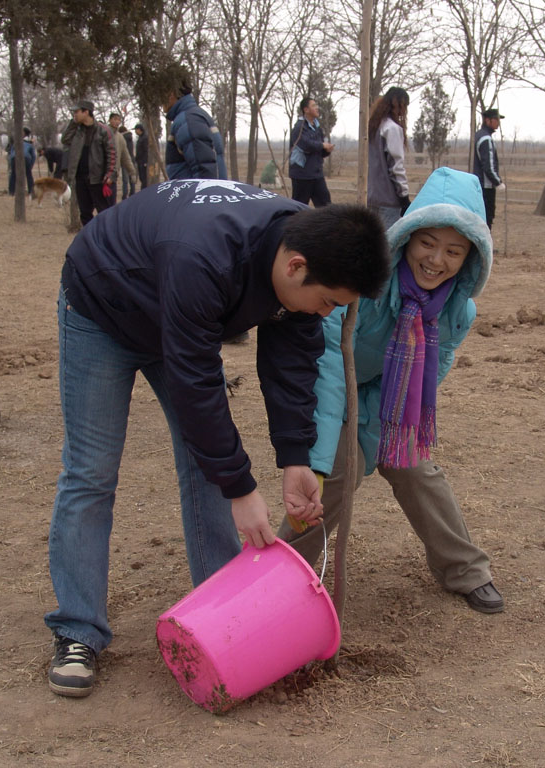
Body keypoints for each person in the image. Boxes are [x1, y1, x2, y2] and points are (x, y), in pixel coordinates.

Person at [44, 179, 390, 698]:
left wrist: (296, 457)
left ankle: (226, 618)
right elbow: (195, 378)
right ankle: (77, 630)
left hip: (179, 316)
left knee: (207, 467)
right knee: (91, 471)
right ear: (295, 267)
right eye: (325, 302)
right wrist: (241, 488)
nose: (324, 313)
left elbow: (293, 363)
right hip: (104, 306)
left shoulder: (303, 249)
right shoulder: (204, 255)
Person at [280, 167, 503, 614]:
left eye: (454, 250)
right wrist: (332, 454)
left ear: (470, 258)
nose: (436, 260)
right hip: (328, 389)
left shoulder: (459, 311)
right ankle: (280, 575)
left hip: (391, 401)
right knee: (337, 474)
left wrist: (377, 437)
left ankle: (466, 570)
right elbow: (327, 366)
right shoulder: (368, 287)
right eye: (427, 243)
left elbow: (426, 378)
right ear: (407, 239)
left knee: (416, 469)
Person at [62, 100, 116, 226]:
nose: (74, 115)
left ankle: (105, 240)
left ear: (86, 112)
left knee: (104, 213)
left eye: (77, 112)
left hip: (98, 179)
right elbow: (65, 139)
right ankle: (89, 241)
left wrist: (110, 174)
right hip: (80, 178)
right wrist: (73, 123)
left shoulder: (103, 130)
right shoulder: (77, 130)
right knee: (85, 213)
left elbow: (112, 154)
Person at [165, 75, 227, 180]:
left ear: (172, 93)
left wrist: (199, 196)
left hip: (193, 194)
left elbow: (204, 172)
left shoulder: (188, 121)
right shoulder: (191, 116)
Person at [367, 87, 410, 228]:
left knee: (374, 243)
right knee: (389, 244)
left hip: (373, 196)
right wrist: (404, 197)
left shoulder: (375, 126)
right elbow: (396, 166)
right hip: (389, 199)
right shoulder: (392, 129)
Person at [289, 97, 334, 208]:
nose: (317, 108)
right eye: (313, 106)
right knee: (299, 209)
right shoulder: (299, 128)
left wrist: (326, 150)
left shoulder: (317, 128)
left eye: (316, 105)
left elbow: (319, 150)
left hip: (316, 174)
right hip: (302, 176)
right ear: (306, 110)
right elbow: (306, 145)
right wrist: (322, 145)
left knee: (326, 207)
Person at [471, 108, 505, 230]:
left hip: (478, 184)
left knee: (481, 217)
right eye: (496, 119)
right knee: (486, 217)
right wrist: (498, 182)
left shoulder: (479, 135)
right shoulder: (486, 139)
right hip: (486, 186)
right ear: (487, 120)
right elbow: (488, 165)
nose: (498, 123)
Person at [107, 113, 137, 204]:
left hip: (113, 176)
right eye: (114, 119)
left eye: (118, 120)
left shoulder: (120, 137)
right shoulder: (104, 132)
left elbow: (126, 157)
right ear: (110, 120)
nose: (116, 122)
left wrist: (132, 172)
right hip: (100, 176)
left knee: (111, 203)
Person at [7, 127, 36, 197]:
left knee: (13, 174)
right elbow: (34, 156)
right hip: (26, 158)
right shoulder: (30, 144)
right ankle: (31, 192)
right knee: (29, 175)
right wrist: (30, 166)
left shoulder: (16, 143)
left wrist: (11, 163)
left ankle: (11, 192)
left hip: (14, 157)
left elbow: (11, 154)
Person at [134, 123, 149, 190]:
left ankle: (144, 190)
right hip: (139, 161)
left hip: (143, 161)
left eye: (136, 130)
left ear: (139, 129)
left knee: (144, 178)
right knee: (141, 177)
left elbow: (146, 150)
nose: (135, 131)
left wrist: (145, 161)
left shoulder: (145, 138)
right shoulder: (140, 138)